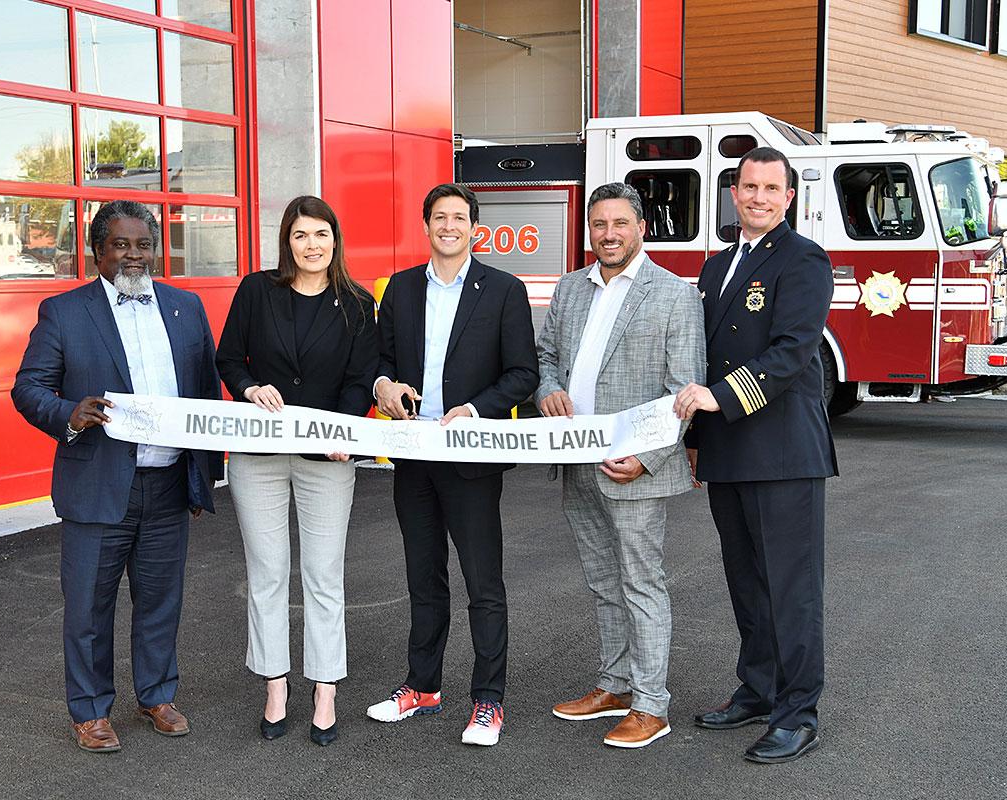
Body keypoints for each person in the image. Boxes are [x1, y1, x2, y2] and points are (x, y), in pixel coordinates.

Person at [12, 200, 223, 754]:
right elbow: (28, 388)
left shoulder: (185, 307)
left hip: (168, 483)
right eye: (120, 245)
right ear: (97, 251)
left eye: (142, 245)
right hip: (98, 485)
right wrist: (67, 415)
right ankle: (90, 711)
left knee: (160, 600)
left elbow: (205, 393)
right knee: (87, 605)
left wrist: (204, 477)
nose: (133, 256)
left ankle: (156, 694)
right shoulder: (64, 312)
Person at [674, 146, 838, 764]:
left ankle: (799, 712)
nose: (760, 197)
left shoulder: (804, 261)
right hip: (729, 450)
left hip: (783, 454)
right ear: (734, 194)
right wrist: (697, 438)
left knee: (791, 588)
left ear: (789, 197)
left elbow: (794, 354)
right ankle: (760, 687)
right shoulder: (717, 267)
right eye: (749, 187)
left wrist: (718, 400)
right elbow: (705, 357)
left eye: (773, 188)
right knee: (746, 581)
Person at [364, 183, 538, 747]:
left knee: (483, 583)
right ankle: (423, 687)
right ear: (426, 225)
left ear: (474, 227)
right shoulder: (401, 289)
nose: (449, 226)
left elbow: (522, 373)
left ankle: (488, 701)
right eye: (439, 217)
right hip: (415, 455)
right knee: (423, 577)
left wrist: (476, 408)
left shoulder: (504, 291)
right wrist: (384, 386)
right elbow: (381, 359)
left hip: (471, 459)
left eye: (459, 217)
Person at [535, 182, 705, 749]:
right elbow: (547, 357)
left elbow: (683, 389)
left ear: (640, 228)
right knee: (602, 579)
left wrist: (650, 458)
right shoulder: (570, 287)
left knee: (640, 582)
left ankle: (653, 704)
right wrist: (548, 391)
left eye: (620, 224)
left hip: (634, 465)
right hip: (577, 460)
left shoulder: (674, 294)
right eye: (599, 224)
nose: (609, 235)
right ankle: (615, 685)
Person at [215, 195, 377, 747]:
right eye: (301, 235)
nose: (312, 245)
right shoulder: (257, 291)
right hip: (258, 454)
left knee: (324, 575)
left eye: (322, 234)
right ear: (287, 241)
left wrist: (345, 429)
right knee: (267, 572)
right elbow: (229, 358)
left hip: (326, 459)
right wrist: (248, 387)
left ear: (336, 240)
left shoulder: (357, 302)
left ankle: (325, 688)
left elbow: (360, 379)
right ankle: (276, 684)